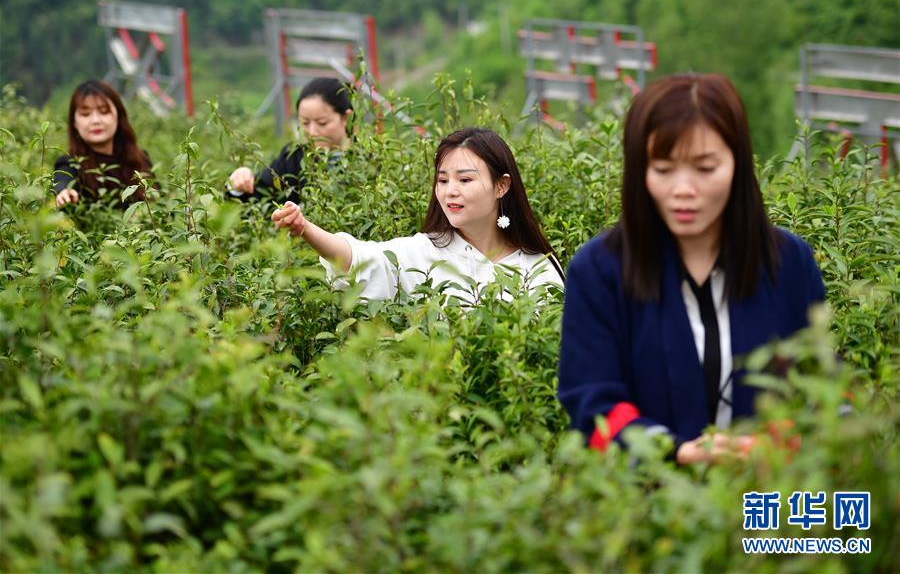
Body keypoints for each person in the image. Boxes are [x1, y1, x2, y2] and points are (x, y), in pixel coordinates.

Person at [557, 73, 826, 465]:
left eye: (705, 168)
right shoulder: (599, 270)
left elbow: (820, 385)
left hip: (769, 489)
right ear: (640, 171)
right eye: (663, 169)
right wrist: (676, 452)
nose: (683, 189)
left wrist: (783, 442)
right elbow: (591, 401)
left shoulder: (788, 262)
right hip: (648, 495)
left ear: (737, 164)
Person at [271, 127, 565, 303]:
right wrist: (305, 227)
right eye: (443, 180)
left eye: (465, 180)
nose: (450, 191)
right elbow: (360, 259)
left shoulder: (538, 267)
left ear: (501, 185)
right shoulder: (422, 252)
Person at [226, 77, 353, 204]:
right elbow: (259, 193)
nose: (312, 132)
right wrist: (239, 184)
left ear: (345, 117)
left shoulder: (363, 161)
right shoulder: (293, 157)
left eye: (322, 123)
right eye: (305, 123)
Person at [54, 80, 152, 208]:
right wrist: (64, 192)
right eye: (85, 114)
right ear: (74, 123)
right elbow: (63, 179)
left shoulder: (141, 160)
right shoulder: (70, 163)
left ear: (119, 116)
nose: (95, 120)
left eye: (104, 111)